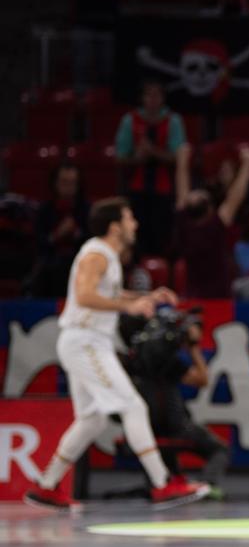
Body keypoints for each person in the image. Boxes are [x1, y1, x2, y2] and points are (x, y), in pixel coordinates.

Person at [23, 198, 210, 512]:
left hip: (86, 341)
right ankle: (163, 484)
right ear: (115, 226)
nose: (135, 223)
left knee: (92, 420)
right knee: (133, 406)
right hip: (86, 342)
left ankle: (45, 487)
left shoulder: (105, 254)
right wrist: (129, 306)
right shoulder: (97, 254)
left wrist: (145, 296)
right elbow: (84, 296)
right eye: (129, 218)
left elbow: (107, 293)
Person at [119, 308, 231, 499]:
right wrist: (193, 345)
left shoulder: (134, 359)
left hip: (147, 428)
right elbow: (203, 379)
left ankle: (168, 483)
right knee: (220, 449)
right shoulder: (166, 361)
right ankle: (205, 486)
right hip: (175, 426)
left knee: (162, 448)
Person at [115, 80, 188, 257]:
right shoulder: (130, 120)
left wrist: (153, 152)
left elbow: (179, 157)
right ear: (142, 98)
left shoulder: (173, 121)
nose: (153, 99)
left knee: (162, 241)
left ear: (163, 98)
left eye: (157, 95)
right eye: (149, 94)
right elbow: (120, 158)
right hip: (135, 190)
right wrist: (137, 158)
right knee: (136, 241)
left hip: (164, 192)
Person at [174, 143, 249, 299]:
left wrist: (182, 161)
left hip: (199, 296)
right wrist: (247, 163)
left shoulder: (185, 225)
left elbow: (182, 191)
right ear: (210, 210)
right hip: (218, 298)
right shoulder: (214, 226)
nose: (193, 192)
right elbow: (234, 198)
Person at [29, 163, 90, 298]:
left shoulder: (87, 210)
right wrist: (57, 235)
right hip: (50, 264)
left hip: (80, 262)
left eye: (73, 183)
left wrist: (75, 232)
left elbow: (92, 243)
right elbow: (39, 243)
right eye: (64, 182)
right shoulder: (44, 210)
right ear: (55, 183)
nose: (68, 187)